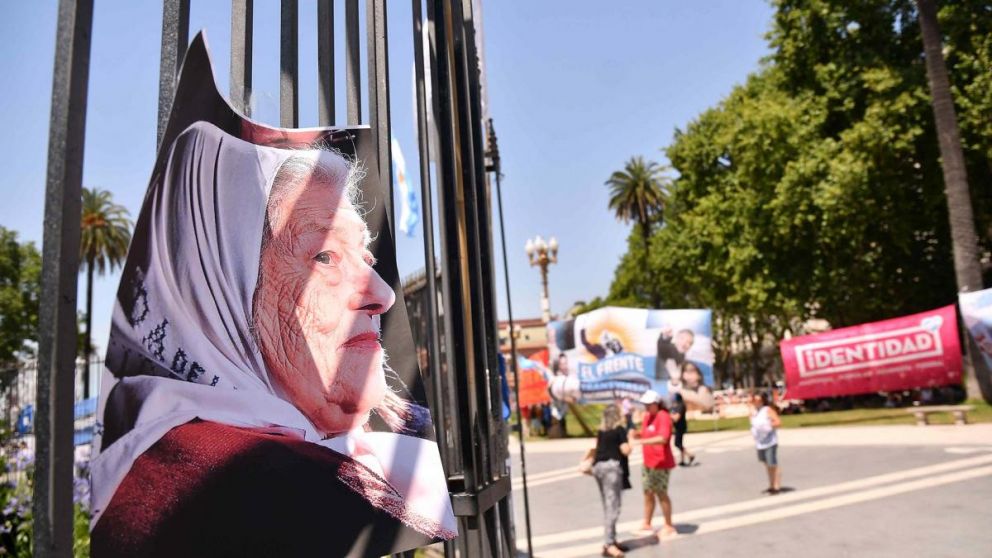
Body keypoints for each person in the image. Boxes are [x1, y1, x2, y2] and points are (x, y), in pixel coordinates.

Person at [90, 121, 456, 557]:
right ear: (221, 289)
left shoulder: (167, 459)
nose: (383, 294)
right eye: (325, 256)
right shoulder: (270, 483)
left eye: (366, 256)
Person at [630, 390, 677, 538]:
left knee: (661, 493)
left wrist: (641, 441)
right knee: (648, 492)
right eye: (645, 405)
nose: (647, 407)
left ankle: (668, 525)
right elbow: (646, 433)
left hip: (661, 462)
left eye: (649, 405)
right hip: (648, 462)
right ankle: (647, 523)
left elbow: (663, 438)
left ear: (657, 404)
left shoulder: (663, 417)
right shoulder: (647, 417)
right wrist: (636, 434)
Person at [591, 404, 632, 557]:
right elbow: (625, 450)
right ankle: (609, 543)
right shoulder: (619, 430)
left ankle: (612, 539)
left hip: (598, 469)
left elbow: (597, 449)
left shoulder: (602, 431)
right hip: (612, 469)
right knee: (613, 507)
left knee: (607, 505)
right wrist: (631, 441)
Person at [750, 391, 782, 494]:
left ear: (763, 401)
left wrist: (768, 426)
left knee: (772, 463)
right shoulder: (754, 412)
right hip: (760, 442)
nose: (756, 402)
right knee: (766, 463)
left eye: (758, 400)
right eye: (754, 400)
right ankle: (771, 484)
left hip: (770, 441)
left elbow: (778, 422)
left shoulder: (767, 410)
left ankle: (776, 486)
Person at [669, 393, 695, 466]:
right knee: (680, 444)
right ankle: (682, 460)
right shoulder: (676, 406)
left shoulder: (681, 405)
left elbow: (676, 418)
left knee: (677, 443)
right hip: (677, 427)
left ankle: (690, 455)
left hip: (680, 427)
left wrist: (669, 415)